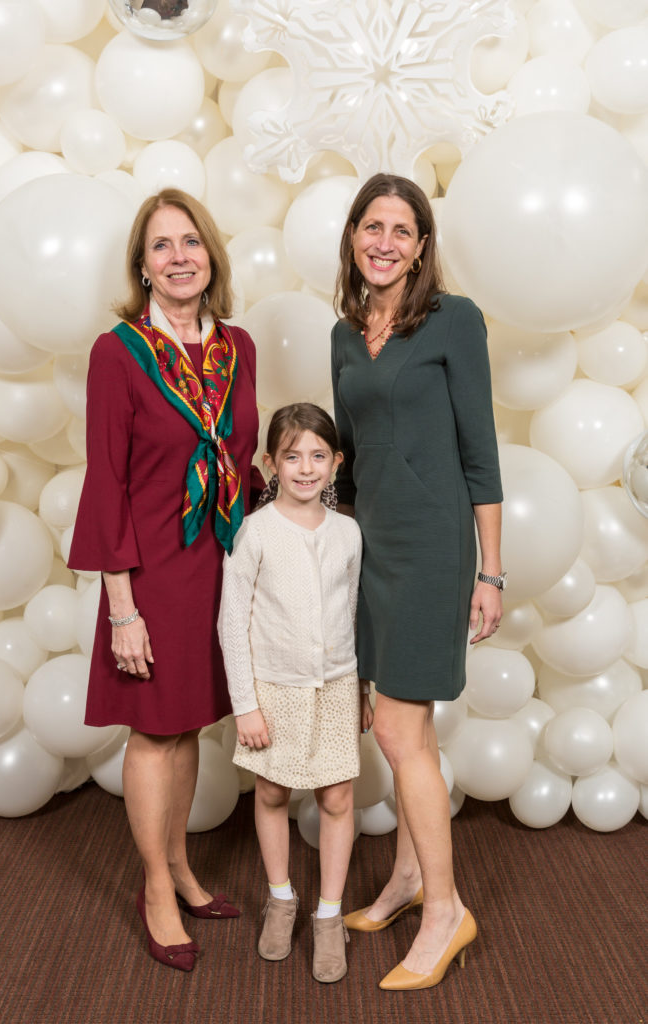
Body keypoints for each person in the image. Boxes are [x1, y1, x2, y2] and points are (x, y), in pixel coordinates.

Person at [68, 188, 262, 972]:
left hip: (218, 565)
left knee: (187, 727)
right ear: (141, 267)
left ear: (209, 255)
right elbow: (105, 480)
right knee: (153, 732)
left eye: (191, 242)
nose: (179, 256)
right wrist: (122, 610)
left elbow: (241, 460)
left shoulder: (236, 347)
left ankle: (181, 866)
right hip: (148, 573)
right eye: (161, 246)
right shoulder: (118, 352)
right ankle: (155, 886)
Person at [330, 173, 504, 991]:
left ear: (422, 246)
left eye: (402, 229)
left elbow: (480, 452)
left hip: (434, 549)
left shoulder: (453, 321)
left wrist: (490, 570)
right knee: (405, 732)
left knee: (399, 731)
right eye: (373, 225)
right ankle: (404, 881)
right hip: (372, 549)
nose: (385, 242)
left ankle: (445, 912)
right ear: (354, 235)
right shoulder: (342, 334)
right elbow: (353, 461)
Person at [218, 403, 373, 983]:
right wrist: (246, 704)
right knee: (273, 792)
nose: (305, 469)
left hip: (335, 684)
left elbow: (354, 612)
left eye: (317, 456)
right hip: (272, 689)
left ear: (335, 462)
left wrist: (360, 686)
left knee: (336, 799)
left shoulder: (348, 533)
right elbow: (232, 622)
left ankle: (328, 914)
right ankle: (280, 898)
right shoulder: (254, 532)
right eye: (292, 457)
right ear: (270, 464)